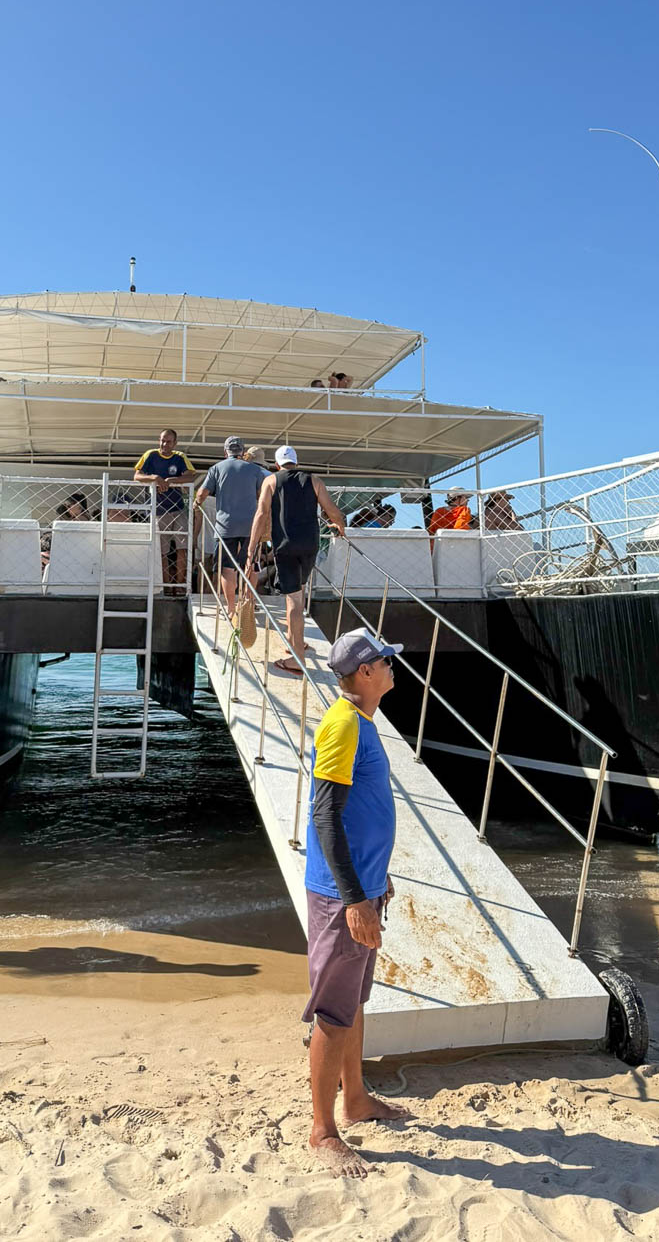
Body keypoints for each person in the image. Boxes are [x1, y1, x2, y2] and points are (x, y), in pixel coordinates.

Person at [303, 628, 409, 1175]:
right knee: (333, 1011)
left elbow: (363, 811)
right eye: (386, 660)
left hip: (361, 889)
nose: (393, 666)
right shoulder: (343, 723)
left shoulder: (364, 722)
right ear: (365, 672)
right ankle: (324, 1130)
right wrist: (353, 898)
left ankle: (357, 1098)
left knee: (355, 1002)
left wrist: (376, 881)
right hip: (339, 897)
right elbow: (326, 816)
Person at [246, 446, 345, 675]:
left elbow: (261, 514)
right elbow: (332, 510)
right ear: (296, 462)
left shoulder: (271, 481)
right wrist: (340, 526)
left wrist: (252, 549)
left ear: (278, 464)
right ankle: (295, 641)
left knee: (293, 602)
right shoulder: (314, 480)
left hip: (285, 546)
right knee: (299, 592)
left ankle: (297, 659)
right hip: (310, 545)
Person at [194, 436, 265, 618]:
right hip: (251, 526)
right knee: (252, 564)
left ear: (225, 452)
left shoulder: (216, 468)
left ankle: (231, 609)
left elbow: (202, 492)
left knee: (227, 568)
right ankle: (249, 603)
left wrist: (196, 503)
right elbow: (261, 494)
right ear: (242, 452)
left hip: (225, 526)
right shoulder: (254, 469)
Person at [134, 428, 196, 586]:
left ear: (175, 443)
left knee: (183, 548)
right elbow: (136, 476)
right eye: (162, 440)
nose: (164, 444)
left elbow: (191, 476)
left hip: (178, 508)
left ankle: (181, 585)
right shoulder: (150, 455)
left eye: (168, 441)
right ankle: (165, 585)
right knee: (162, 551)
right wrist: (154, 478)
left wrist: (171, 480)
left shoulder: (180, 457)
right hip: (157, 510)